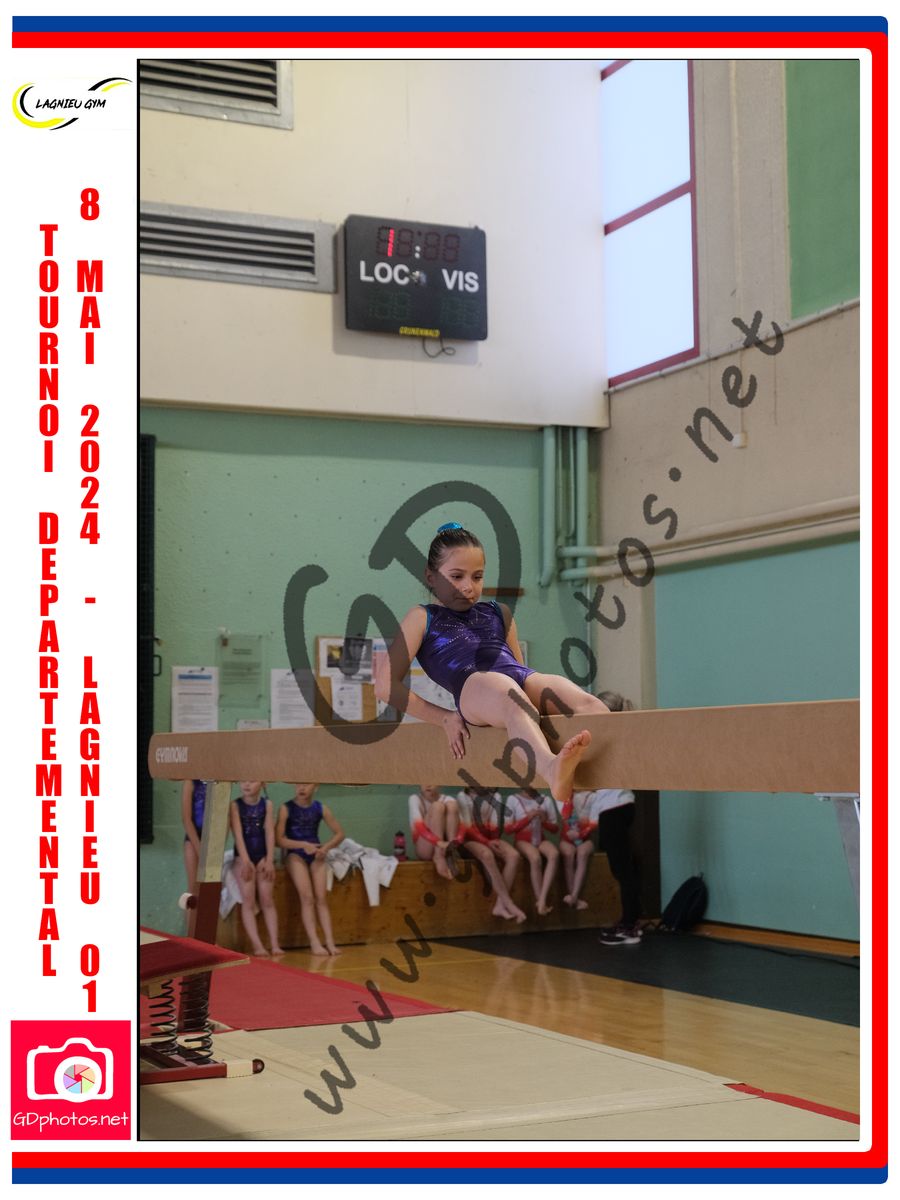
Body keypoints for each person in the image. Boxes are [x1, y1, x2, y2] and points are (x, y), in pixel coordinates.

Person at [375, 522, 609, 807]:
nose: (468, 586)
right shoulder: (422, 618)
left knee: (586, 703)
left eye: (477, 577)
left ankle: (607, 764)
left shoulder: (499, 612)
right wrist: (444, 717)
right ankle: (550, 769)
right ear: (431, 577)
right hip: (474, 688)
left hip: (513, 681)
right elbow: (385, 685)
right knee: (509, 695)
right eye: (456, 576)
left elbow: (520, 670)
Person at [589, 689, 642, 946]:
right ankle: (628, 921)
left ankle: (630, 926)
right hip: (617, 805)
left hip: (616, 807)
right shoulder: (615, 738)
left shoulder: (615, 739)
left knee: (623, 870)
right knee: (621, 869)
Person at [276, 782, 345, 956]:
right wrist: (302, 845)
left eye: (306, 784)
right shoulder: (286, 808)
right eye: (298, 784)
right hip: (295, 854)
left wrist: (325, 848)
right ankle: (314, 942)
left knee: (321, 898)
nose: (301, 788)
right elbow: (279, 840)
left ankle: (330, 942)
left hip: (316, 853)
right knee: (307, 898)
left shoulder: (321, 808)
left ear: (316, 787)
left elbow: (339, 833)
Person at [229, 781, 284, 957]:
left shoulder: (267, 804)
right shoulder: (235, 805)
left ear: (262, 783)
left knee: (267, 899)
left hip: (263, 856)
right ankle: (257, 945)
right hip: (243, 856)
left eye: (252, 781)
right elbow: (238, 834)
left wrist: (269, 859)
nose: (246, 784)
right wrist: (245, 861)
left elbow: (269, 833)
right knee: (248, 900)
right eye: (243, 780)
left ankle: (275, 944)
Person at [456, 787, 526, 923]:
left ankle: (500, 905)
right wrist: (487, 843)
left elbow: (494, 826)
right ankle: (509, 903)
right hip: (468, 841)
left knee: (513, 855)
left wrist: (493, 841)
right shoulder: (462, 796)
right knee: (486, 854)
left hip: (488, 839)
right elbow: (468, 828)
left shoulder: (496, 796)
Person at [504, 787, 560, 915]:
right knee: (535, 858)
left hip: (540, 839)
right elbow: (508, 829)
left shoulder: (546, 800)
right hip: (522, 840)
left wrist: (544, 821)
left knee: (554, 854)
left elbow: (555, 829)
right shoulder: (513, 799)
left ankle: (542, 899)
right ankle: (540, 900)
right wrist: (527, 819)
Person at [408, 785, 462, 879]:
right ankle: (438, 856)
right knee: (437, 806)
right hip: (425, 848)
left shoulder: (449, 799)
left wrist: (456, 842)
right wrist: (439, 843)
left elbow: (463, 827)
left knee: (452, 806)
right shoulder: (415, 799)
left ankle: (451, 854)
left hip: (445, 846)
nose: (428, 785)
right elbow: (419, 828)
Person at [558, 791, 599, 911]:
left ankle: (574, 896)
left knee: (582, 853)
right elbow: (564, 817)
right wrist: (569, 798)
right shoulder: (564, 795)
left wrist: (581, 834)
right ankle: (574, 900)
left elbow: (594, 822)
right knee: (568, 853)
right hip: (567, 838)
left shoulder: (593, 796)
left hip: (587, 839)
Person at [181, 779, 207, 893]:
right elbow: (186, 819)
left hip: (212, 840)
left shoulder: (219, 783)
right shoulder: (190, 782)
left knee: (209, 889)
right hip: (193, 839)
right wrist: (200, 849)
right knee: (194, 889)